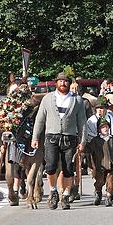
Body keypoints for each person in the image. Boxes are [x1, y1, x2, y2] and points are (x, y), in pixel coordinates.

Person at [32, 72, 88, 210]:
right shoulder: (48, 99)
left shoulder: (77, 100)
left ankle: (66, 196)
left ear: (69, 83)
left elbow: (82, 122)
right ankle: (53, 191)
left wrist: (83, 141)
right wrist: (35, 137)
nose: (63, 83)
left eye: (65, 81)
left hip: (70, 138)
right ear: (56, 83)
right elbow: (40, 119)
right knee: (50, 167)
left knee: (68, 169)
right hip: (51, 136)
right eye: (60, 81)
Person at [87, 117, 113, 207]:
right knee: (99, 182)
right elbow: (89, 150)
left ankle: (108, 197)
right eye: (103, 127)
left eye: (107, 127)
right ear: (99, 129)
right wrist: (82, 149)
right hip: (100, 166)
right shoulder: (95, 140)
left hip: (112, 164)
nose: (105, 129)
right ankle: (98, 192)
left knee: (111, 182)